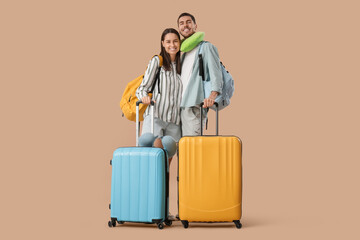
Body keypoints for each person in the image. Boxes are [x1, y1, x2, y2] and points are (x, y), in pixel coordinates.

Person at [177, 13, 223, 136]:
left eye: (188, 22)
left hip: (194, 106)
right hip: (180, 107)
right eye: (181, 23)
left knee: (193, 149)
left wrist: (212, 96)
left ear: (195, 26)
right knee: (181, 150)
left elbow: (216, 73)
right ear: (179, 29)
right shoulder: (183, 54)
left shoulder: (206, 47)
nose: (185, 25)